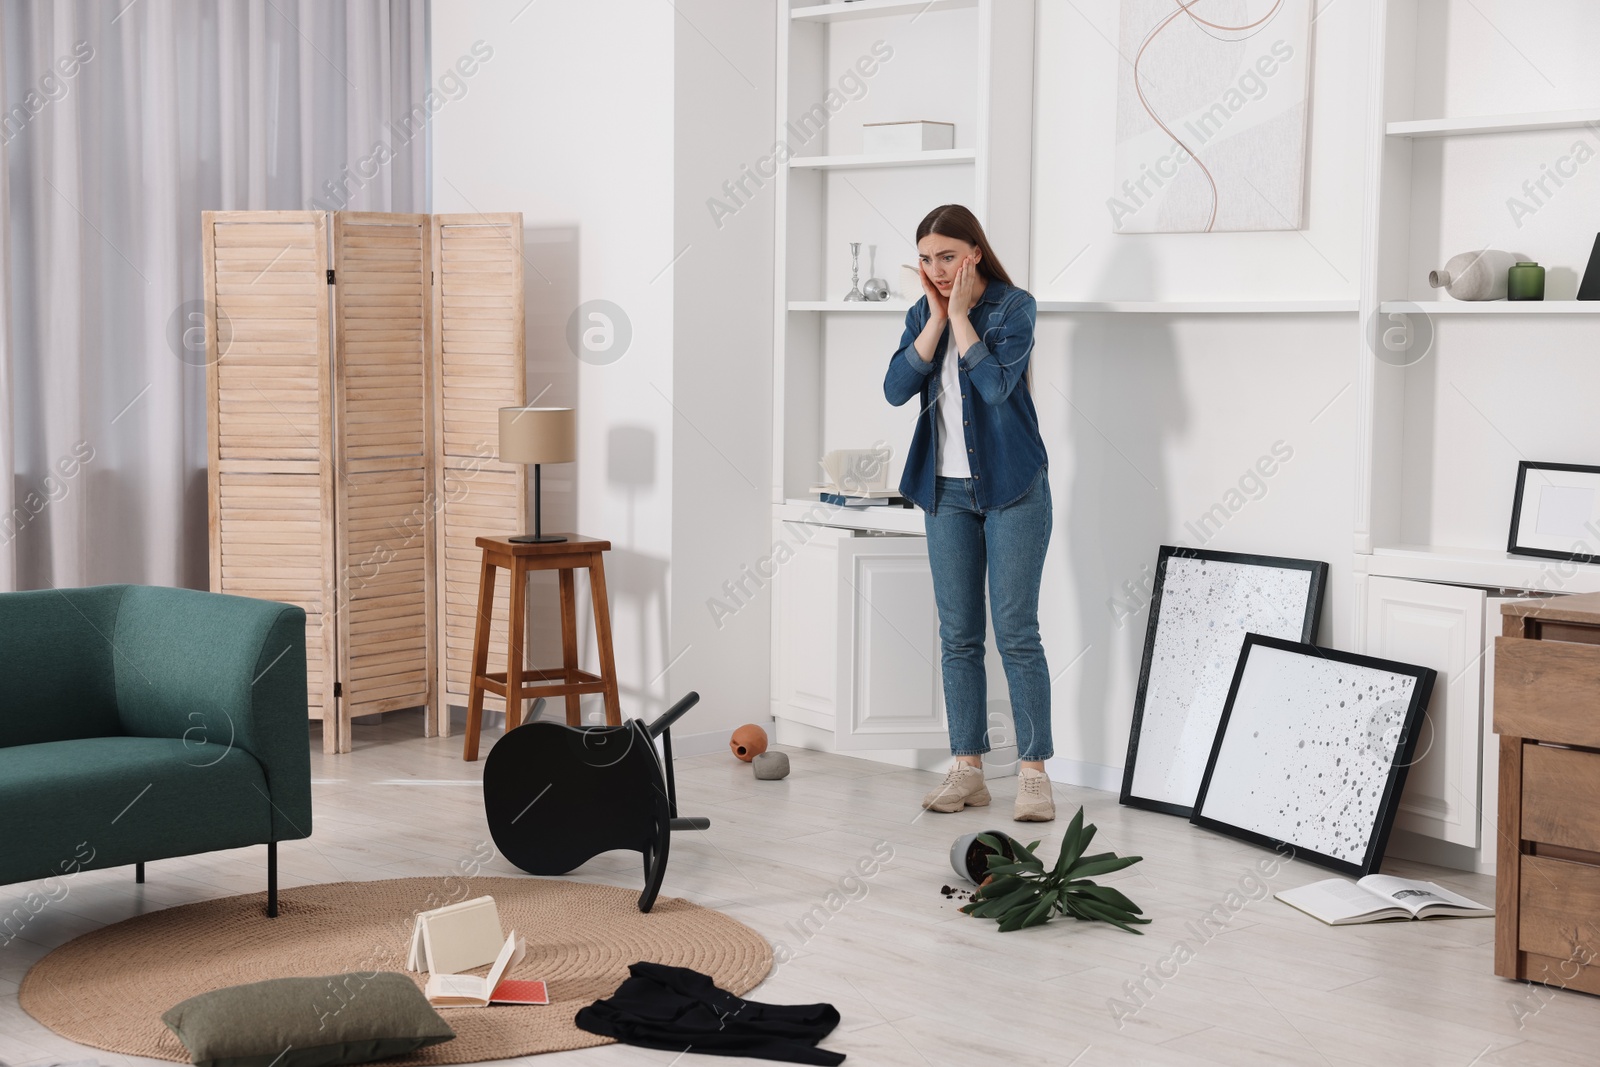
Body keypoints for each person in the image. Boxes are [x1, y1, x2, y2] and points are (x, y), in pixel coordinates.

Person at [883, 204, 1054, 822]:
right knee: (958, 638)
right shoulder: (920, 313)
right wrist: (934, 318)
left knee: (1016, 633)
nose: (937, 268)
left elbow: (995, 388)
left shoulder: (1013, 308)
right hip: (945, 495)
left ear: (975, 252)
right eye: (927, 259)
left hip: (1012, 489)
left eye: (948, 256)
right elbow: (896, 388)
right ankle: (968, 770)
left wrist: (960, 319)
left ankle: (1033, 774)